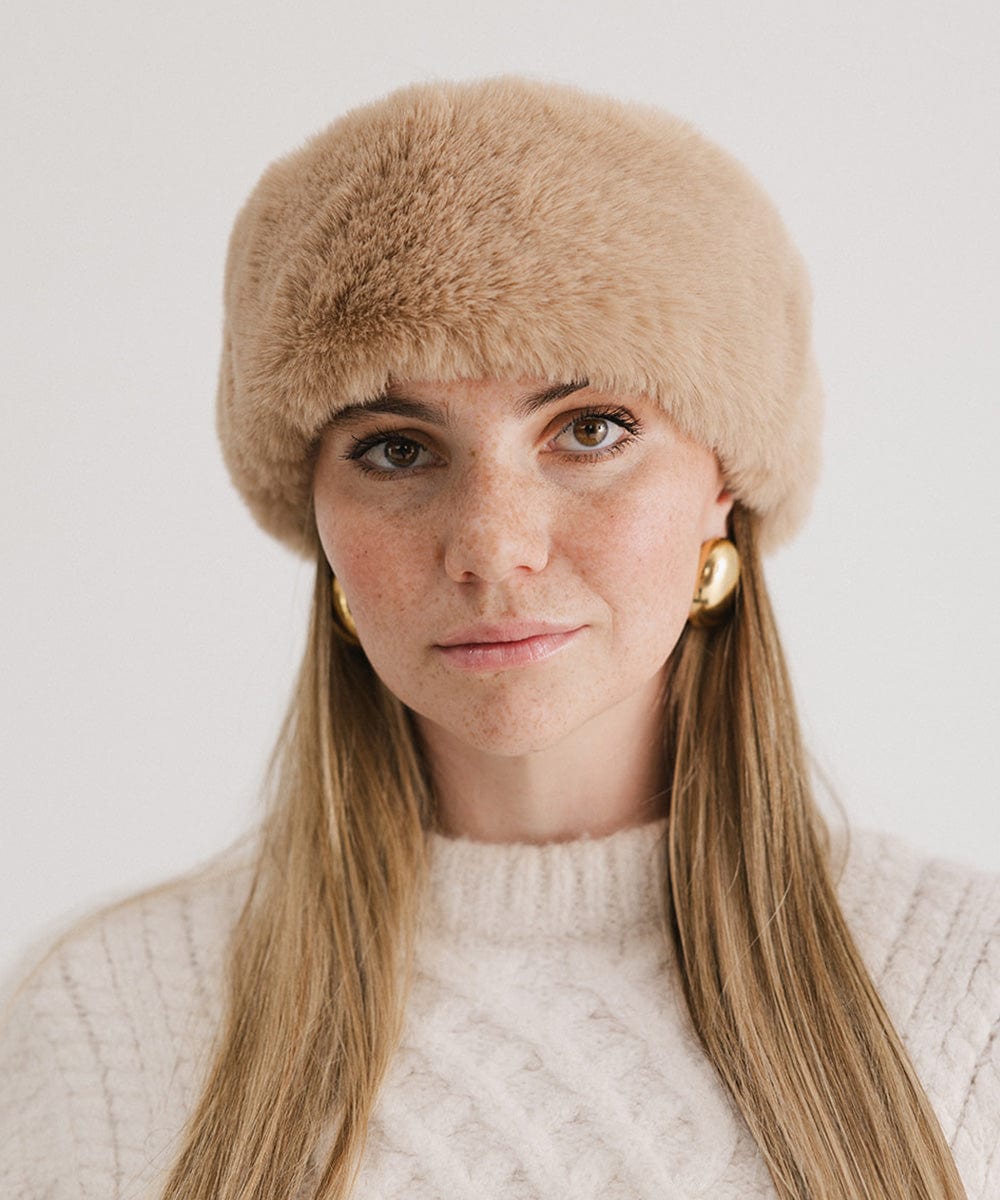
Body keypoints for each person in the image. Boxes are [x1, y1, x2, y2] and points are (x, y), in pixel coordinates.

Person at [1, 76, 997, 1200]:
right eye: (395, 448)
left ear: (725, 484)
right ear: (318, 519)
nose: (491, 547)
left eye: (590, 429)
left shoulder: (967, 994)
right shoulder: (110, 1018)